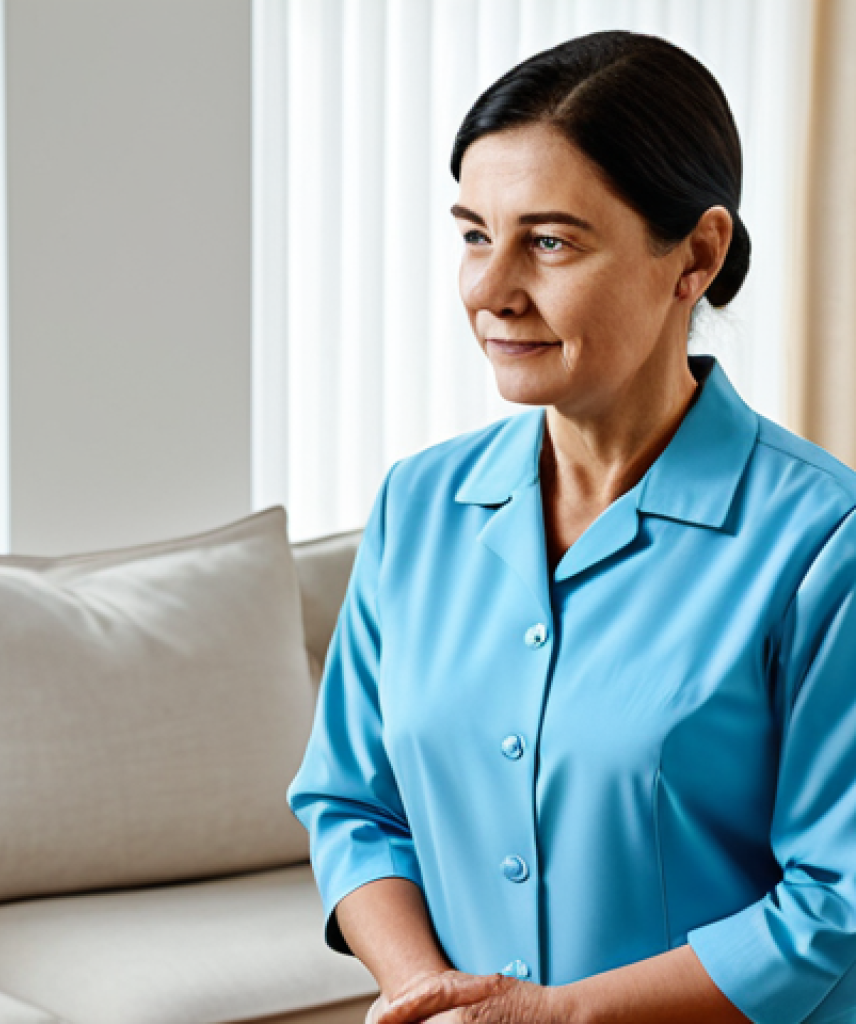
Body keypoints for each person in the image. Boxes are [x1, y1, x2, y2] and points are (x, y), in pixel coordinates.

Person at [286, 29, 856, 1024]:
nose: (488, 289)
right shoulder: (417, 505)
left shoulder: (821, 541)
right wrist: (431, 997)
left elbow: (836, 901)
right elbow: (351, 804)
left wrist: (561, 1014)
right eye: (472, 233)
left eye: (548, 242)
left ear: (697, 255)